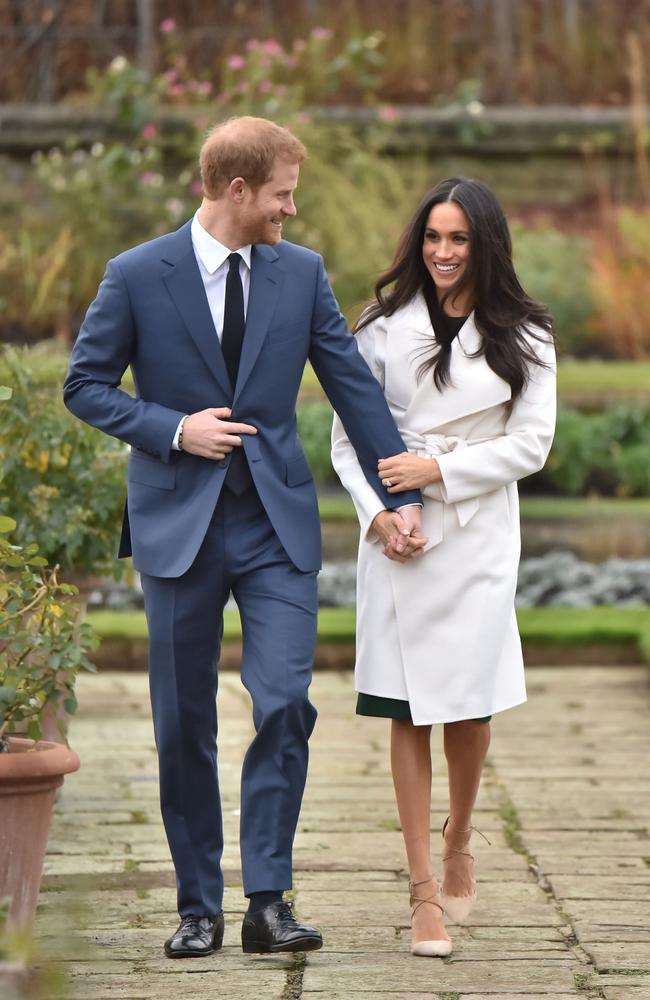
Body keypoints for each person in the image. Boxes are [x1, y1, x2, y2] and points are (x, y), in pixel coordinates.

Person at [63, 116, 425, 959]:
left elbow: (352, 390)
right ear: (236, 191)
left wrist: (398, 489)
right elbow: (85, 385)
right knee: (182, 718)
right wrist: (172, 427)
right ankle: (198, 907)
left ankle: (268, 900)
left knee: (285, 700)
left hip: (274, 525)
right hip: (177, 524)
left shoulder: (300, 275)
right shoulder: (135, 274)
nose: (291, 211)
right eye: (282, 194)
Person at [331, 177, 556, 957]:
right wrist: (383, 514)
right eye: (432, 237)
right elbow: (347, 441)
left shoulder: (524, 333)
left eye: (458, 238)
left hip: (476, 532)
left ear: (485, 244)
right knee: (403, 708)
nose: (443, 252)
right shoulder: (380, 327)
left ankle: (461, 831)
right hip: (401, 540)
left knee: (466, 708)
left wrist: (438, 475)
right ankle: (422, 886)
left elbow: (532, 444)